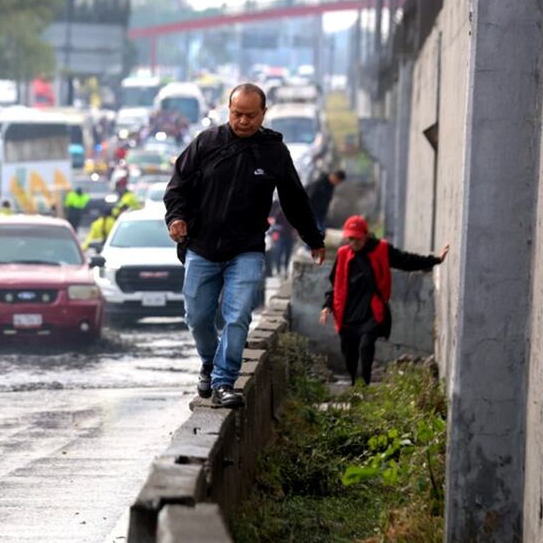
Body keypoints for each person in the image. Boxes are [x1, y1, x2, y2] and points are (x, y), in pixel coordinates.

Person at [164, 83, 326, 408]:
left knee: (237, 315)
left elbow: (295, 199)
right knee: (196, 317)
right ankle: (210, 362)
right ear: (228, 111)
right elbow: (177, 186)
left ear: (263, 114)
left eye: (250, 115)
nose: (243, 121)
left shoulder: (274, 152)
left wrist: (313, 238)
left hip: (247, 249)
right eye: (237, 114)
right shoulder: (206, 143)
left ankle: (224, 382)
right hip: (202, 246)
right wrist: (176, 218)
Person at [320, 215, 449, 386]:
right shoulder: (343, 254)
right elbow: (334, 284)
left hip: (371, 311)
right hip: (347, 313)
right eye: (350, 238)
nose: (354, 242)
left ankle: (364, 385)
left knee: (366, 346)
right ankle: (354, 383)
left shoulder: (381, 249)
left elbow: (406, 260)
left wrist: (436, 260)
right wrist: (327, 306)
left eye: (357, 238)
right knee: (349, 353)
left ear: (365, 235)